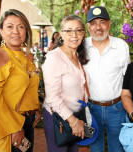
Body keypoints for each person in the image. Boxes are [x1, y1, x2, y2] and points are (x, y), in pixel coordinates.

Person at [0, 9, 41, 152]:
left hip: (27, 123)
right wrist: (14, 128)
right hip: (5, 127)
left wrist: (34, 109)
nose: (15, 31)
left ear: (26, 31)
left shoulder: (28, 57)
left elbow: (26, 87)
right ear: (1, 30)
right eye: (10, 26)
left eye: (21, 26)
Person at [83, 6, 130, 152]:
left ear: (109, 24)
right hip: (91, 109)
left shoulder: (121, 46)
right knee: (95, 148)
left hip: (117, 108)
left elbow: (127, 79)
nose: (98, 27)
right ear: (88, 27)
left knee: (118, 148)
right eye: (94, 23)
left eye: (102, 22)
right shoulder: (81, 46)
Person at [42, 15, 89, 152]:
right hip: (58, 118)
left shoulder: (78, 56)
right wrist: (73, 121)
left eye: (78, 30)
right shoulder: (54, 58)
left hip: (77, 116)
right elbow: (53, 97)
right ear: (61, 34)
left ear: (83, 33)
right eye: (68, 31)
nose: (74, 35)